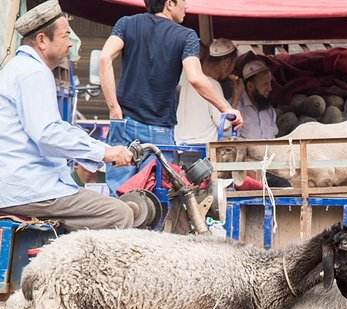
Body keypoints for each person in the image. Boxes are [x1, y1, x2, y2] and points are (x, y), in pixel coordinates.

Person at [0, 0, 133, 230]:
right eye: (65, 36)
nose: (70, 44)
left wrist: (97, 149)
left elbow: (54, 128)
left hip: (22, 186)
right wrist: (104, 152)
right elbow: (48, 134)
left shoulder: (18, 68)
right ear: (42, 40)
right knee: (119, 214)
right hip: (30, 189)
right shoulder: (33, 73)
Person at [99, 0, 243, 195]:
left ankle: (119, 225)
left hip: (123, 123)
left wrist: (113, 108)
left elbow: (104, 57)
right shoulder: (186, 36)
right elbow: (195, 78)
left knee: (118, 196)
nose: (187, 6)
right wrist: (226, 108)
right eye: (183, 1)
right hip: (159, 131)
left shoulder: (126, 23)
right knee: (155, 198)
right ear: (169, 3)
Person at [175, 38, 240, 144]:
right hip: (202, 147)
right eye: (233, 65)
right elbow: (225, 124)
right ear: (227, 63)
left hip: (180, 145)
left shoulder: (186, 77)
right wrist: (236, 96)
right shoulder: (211, 84)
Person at [235, 59, 277, 139]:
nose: (270, 88)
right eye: (265, 84)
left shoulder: (269, 110)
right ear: (250, 86)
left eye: (270, 83)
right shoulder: (236, 108)